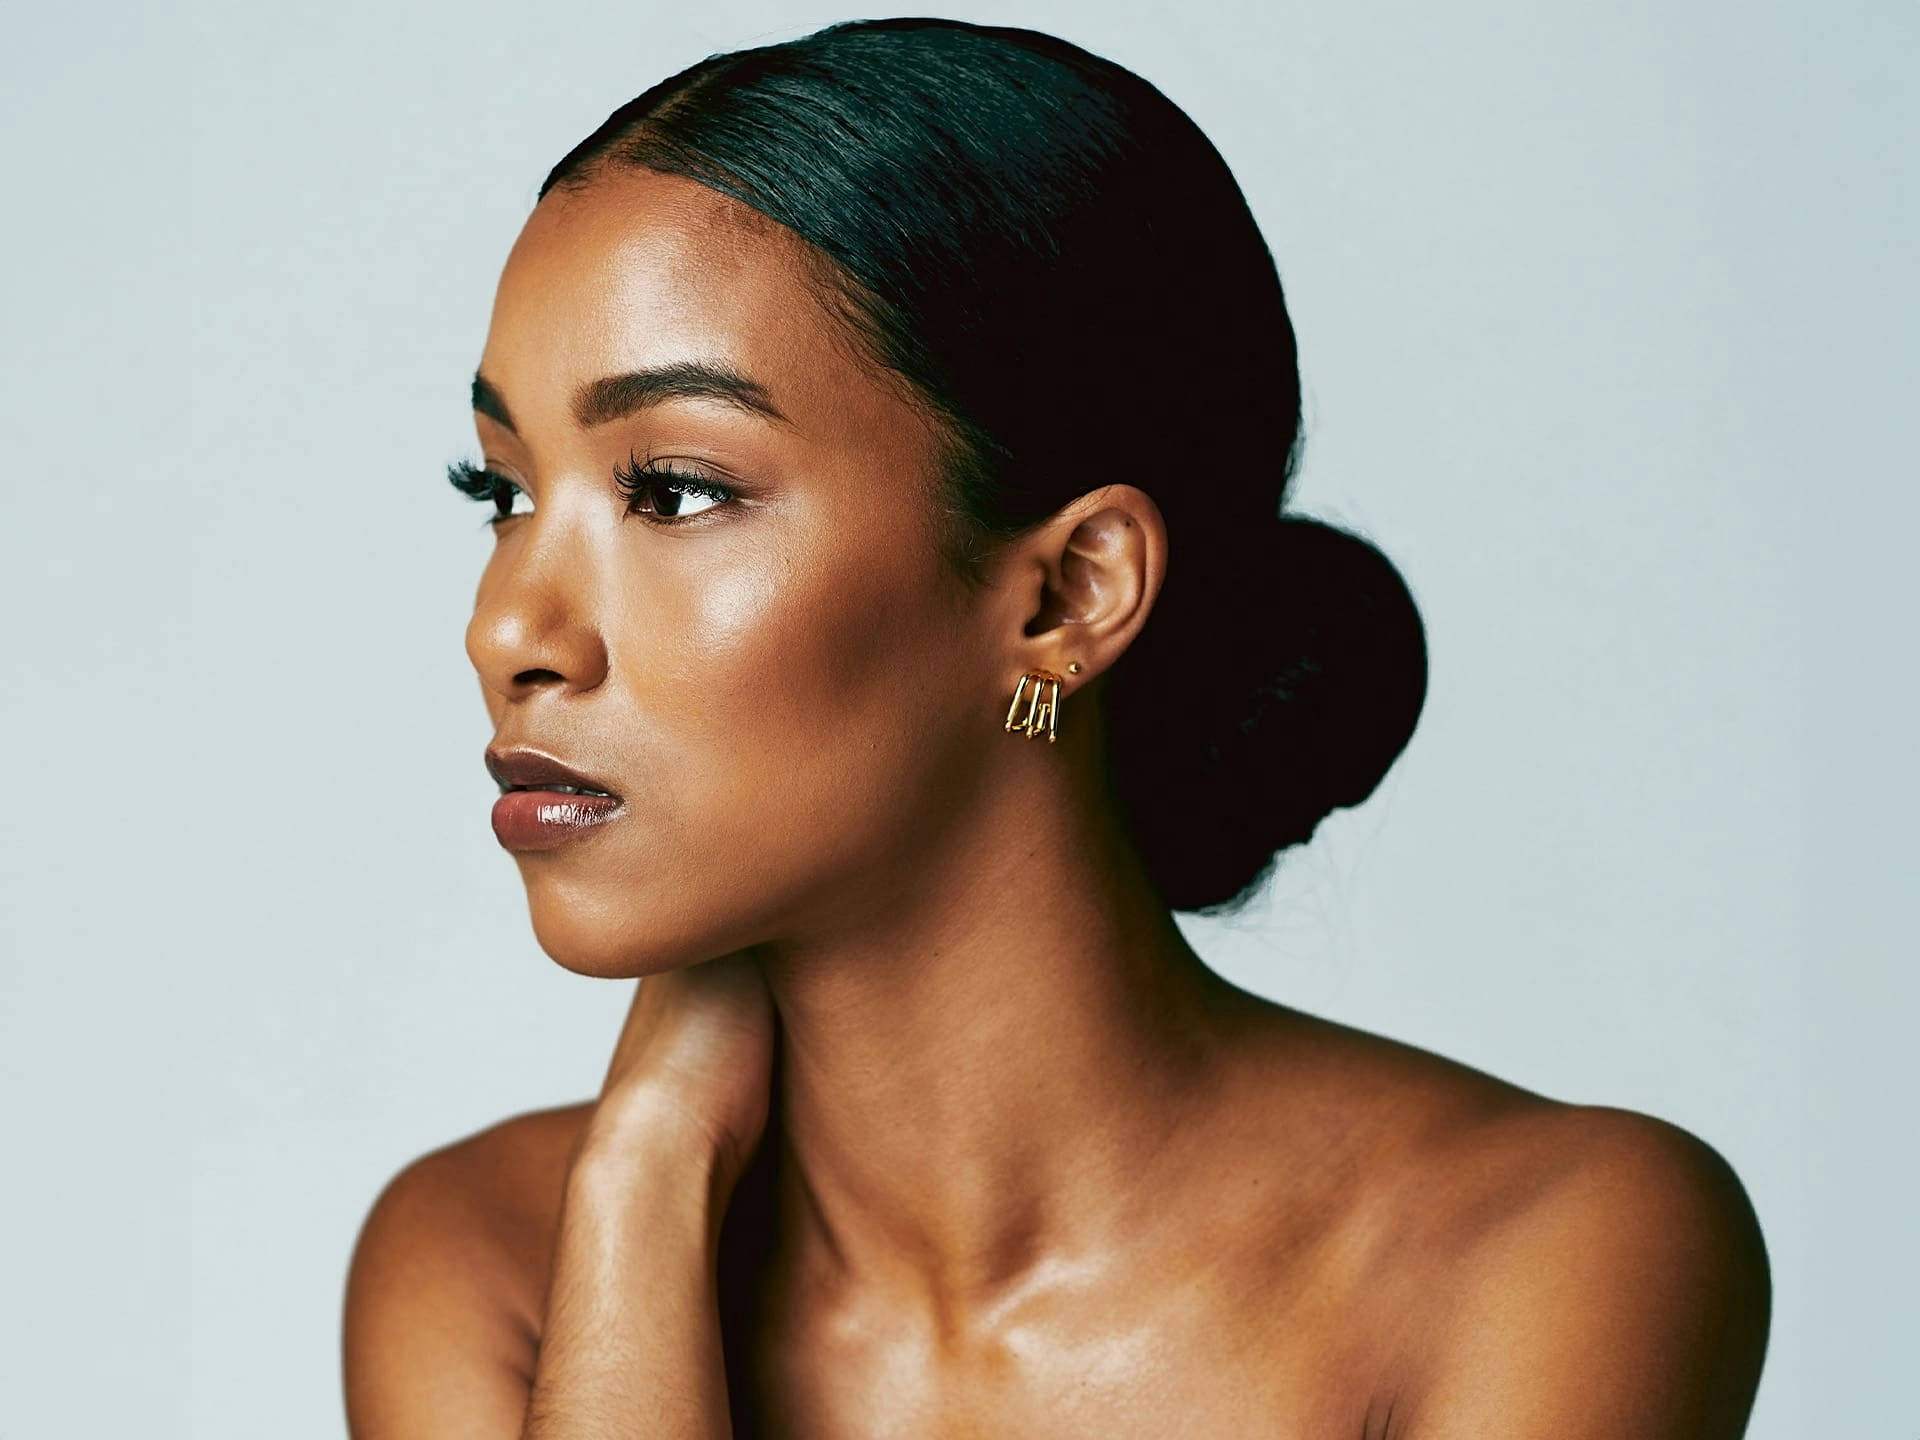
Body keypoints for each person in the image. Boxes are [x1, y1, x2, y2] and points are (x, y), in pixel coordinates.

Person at [341, 18, 1770, 1437]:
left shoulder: (1547, 1249)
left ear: (1070, 595)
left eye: (672, 490)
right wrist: (643, 1179)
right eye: (504, 495)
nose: (507, 629)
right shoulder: (491, 1263)